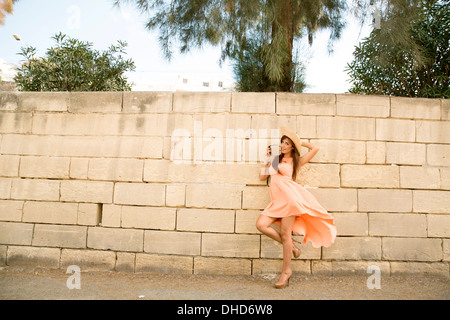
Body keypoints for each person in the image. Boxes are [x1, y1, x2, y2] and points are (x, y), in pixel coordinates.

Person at [256, 126, 337, 289]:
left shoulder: (296, 161)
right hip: (277, 202)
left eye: (287, 143)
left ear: (292, 146)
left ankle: (286, 272)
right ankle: (292, 246)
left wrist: (299, 142)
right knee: (261, 225)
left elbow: (316, 148)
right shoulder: (276, 159)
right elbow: (262, 176)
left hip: (290, 201)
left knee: (285, 234)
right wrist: (267, 158)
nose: (283, 145)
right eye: (282, 142)